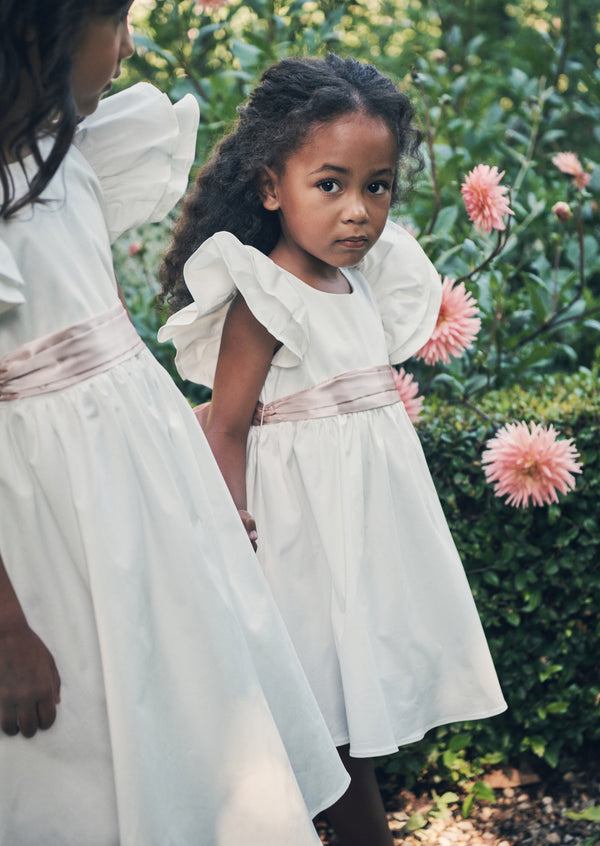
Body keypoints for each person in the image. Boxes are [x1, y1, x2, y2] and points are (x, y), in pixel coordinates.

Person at [0, 5, 352, 845]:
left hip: (145, 517)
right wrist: (7, 627)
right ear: (39, 30)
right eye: (113, 19)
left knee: (202, 724)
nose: (128, 45)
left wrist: (189, 504)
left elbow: (117, 377)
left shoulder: (63, 154)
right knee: (89, 757)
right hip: (46, 535)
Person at [158, 54, 508, 846]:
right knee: (324, 723)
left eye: (376, 185)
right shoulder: (266, 292)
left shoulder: (364, 284)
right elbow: (227, 424)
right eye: (331, 184)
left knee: (351, 708)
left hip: (359, 536)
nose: (358, 210)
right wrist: (233, 527)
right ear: (272, 186)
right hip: (297, 540)